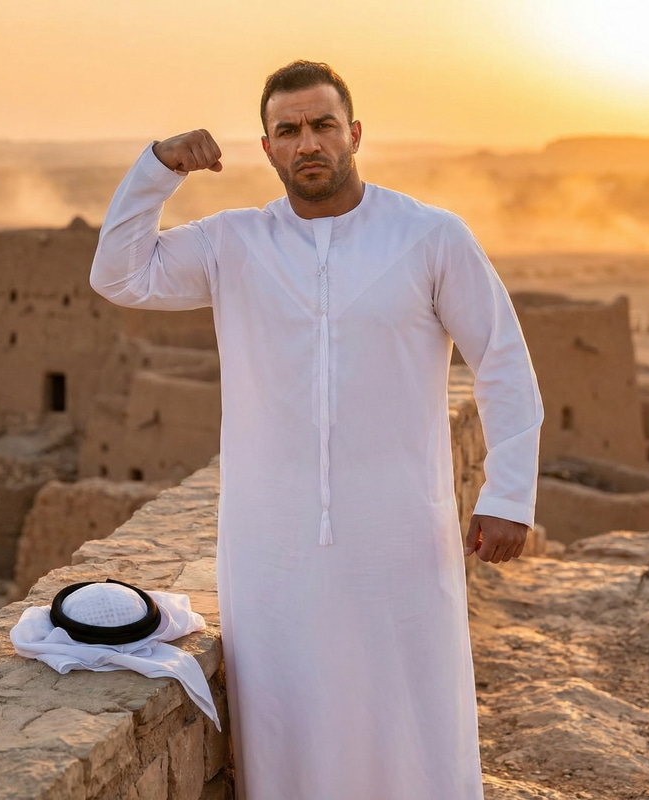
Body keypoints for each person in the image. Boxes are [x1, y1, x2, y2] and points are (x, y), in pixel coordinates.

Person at [90, 60, 543, 800]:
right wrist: (158, 170)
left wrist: (510, 494)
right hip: (272, 551)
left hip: (400, 539)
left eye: (323, 125)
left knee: (414, 723)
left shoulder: (430, 237)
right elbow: (120, 275)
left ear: (354, 133)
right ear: (266, 148)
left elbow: (503, 360)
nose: (308, 143)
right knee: (286, 726)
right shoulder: (232, 243)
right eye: (288, 130)